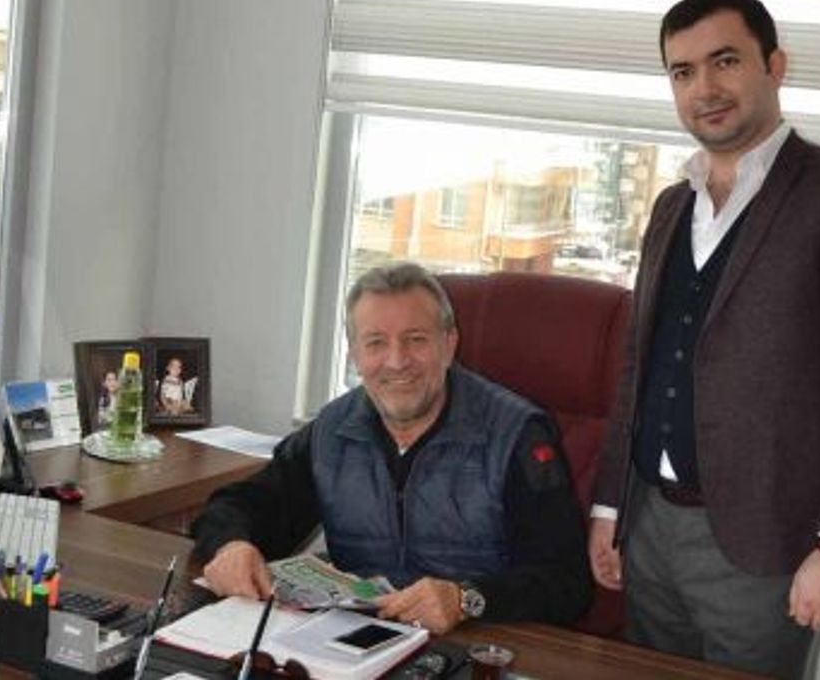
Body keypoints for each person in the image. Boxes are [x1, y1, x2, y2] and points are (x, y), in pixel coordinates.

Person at [587, 0, 820, 679]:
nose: (704, 88)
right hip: (648, 528)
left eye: (726, 61)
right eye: (682, 72)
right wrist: (610, 505)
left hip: (765, 545)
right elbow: (640, 367)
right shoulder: (671, 205)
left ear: (775, 65)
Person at [191, 262, 592, 633]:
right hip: (356, 641)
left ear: (449, 344)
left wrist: (466, 599)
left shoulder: (517, 434)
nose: (397, 361)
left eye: (416, 339)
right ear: (355, 354)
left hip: (480, 643)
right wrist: (231, 546)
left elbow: (567, 581)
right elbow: (238, 505)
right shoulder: (333, 430)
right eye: (376, 343)